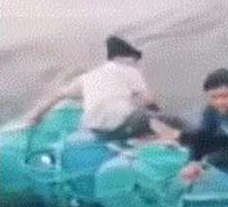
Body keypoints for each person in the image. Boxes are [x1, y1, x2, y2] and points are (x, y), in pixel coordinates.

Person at [23, 36, 168, 142]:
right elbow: (148, 102)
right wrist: (161, 116)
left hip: (95, 130)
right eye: (134, 59)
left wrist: (36, 117)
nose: (135, 63)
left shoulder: (87, 76)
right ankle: (153, 143)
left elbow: (57, 96)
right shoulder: (130, 70)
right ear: (125, 57)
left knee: (127, 114)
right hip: (121, 128)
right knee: (156, 118)